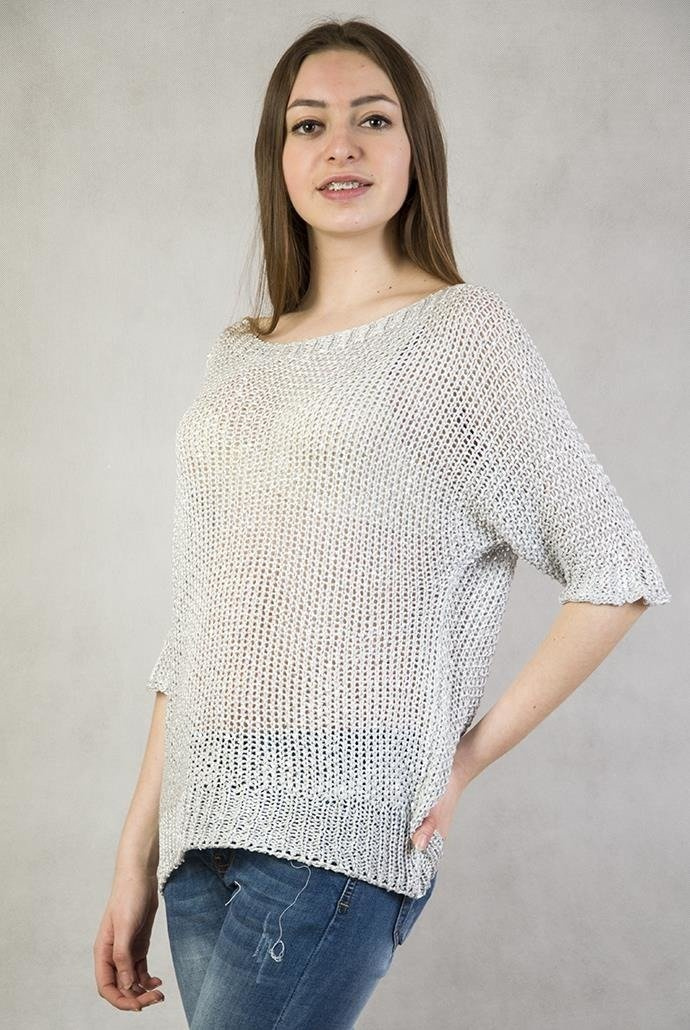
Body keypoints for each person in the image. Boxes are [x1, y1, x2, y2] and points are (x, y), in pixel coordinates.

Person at [93, 17, 671, 1029]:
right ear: (279, 157)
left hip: (339, 834)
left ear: (415, 149)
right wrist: (134, 854)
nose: (341, 147)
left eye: (373, 119)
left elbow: (614, 572)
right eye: (309, 124)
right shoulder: (240, 355)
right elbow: (195, 628)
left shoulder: (462, 335)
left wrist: (462, 759)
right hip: (200, 836)